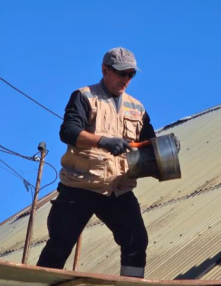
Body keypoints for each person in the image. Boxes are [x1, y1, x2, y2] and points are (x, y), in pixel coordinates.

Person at [37, 47, 155, 278]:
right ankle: (38, 283)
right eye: (121, 73)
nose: (126, 79)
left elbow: (149, 142)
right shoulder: (84, 96)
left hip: (118, 189)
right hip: (80, 185)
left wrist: (165, 146)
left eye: (131, 74)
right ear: (104, 70)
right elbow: (68, 131)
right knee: (60, 245)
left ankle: (130, 283)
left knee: (136, 241)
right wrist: (102, 141)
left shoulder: (137, 108)